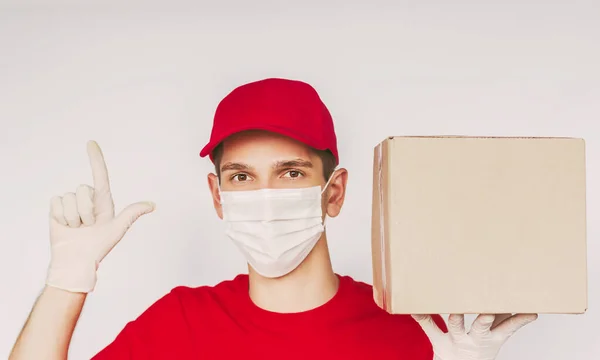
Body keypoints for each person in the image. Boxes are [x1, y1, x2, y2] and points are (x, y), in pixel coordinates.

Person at [9, 78, 537, 360]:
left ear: (334, 193)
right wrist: (66, 280)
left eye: (289, 174)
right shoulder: (179, 326)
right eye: (241, 177)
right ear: (217, 196)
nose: (263, 195)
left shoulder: (420, 332)